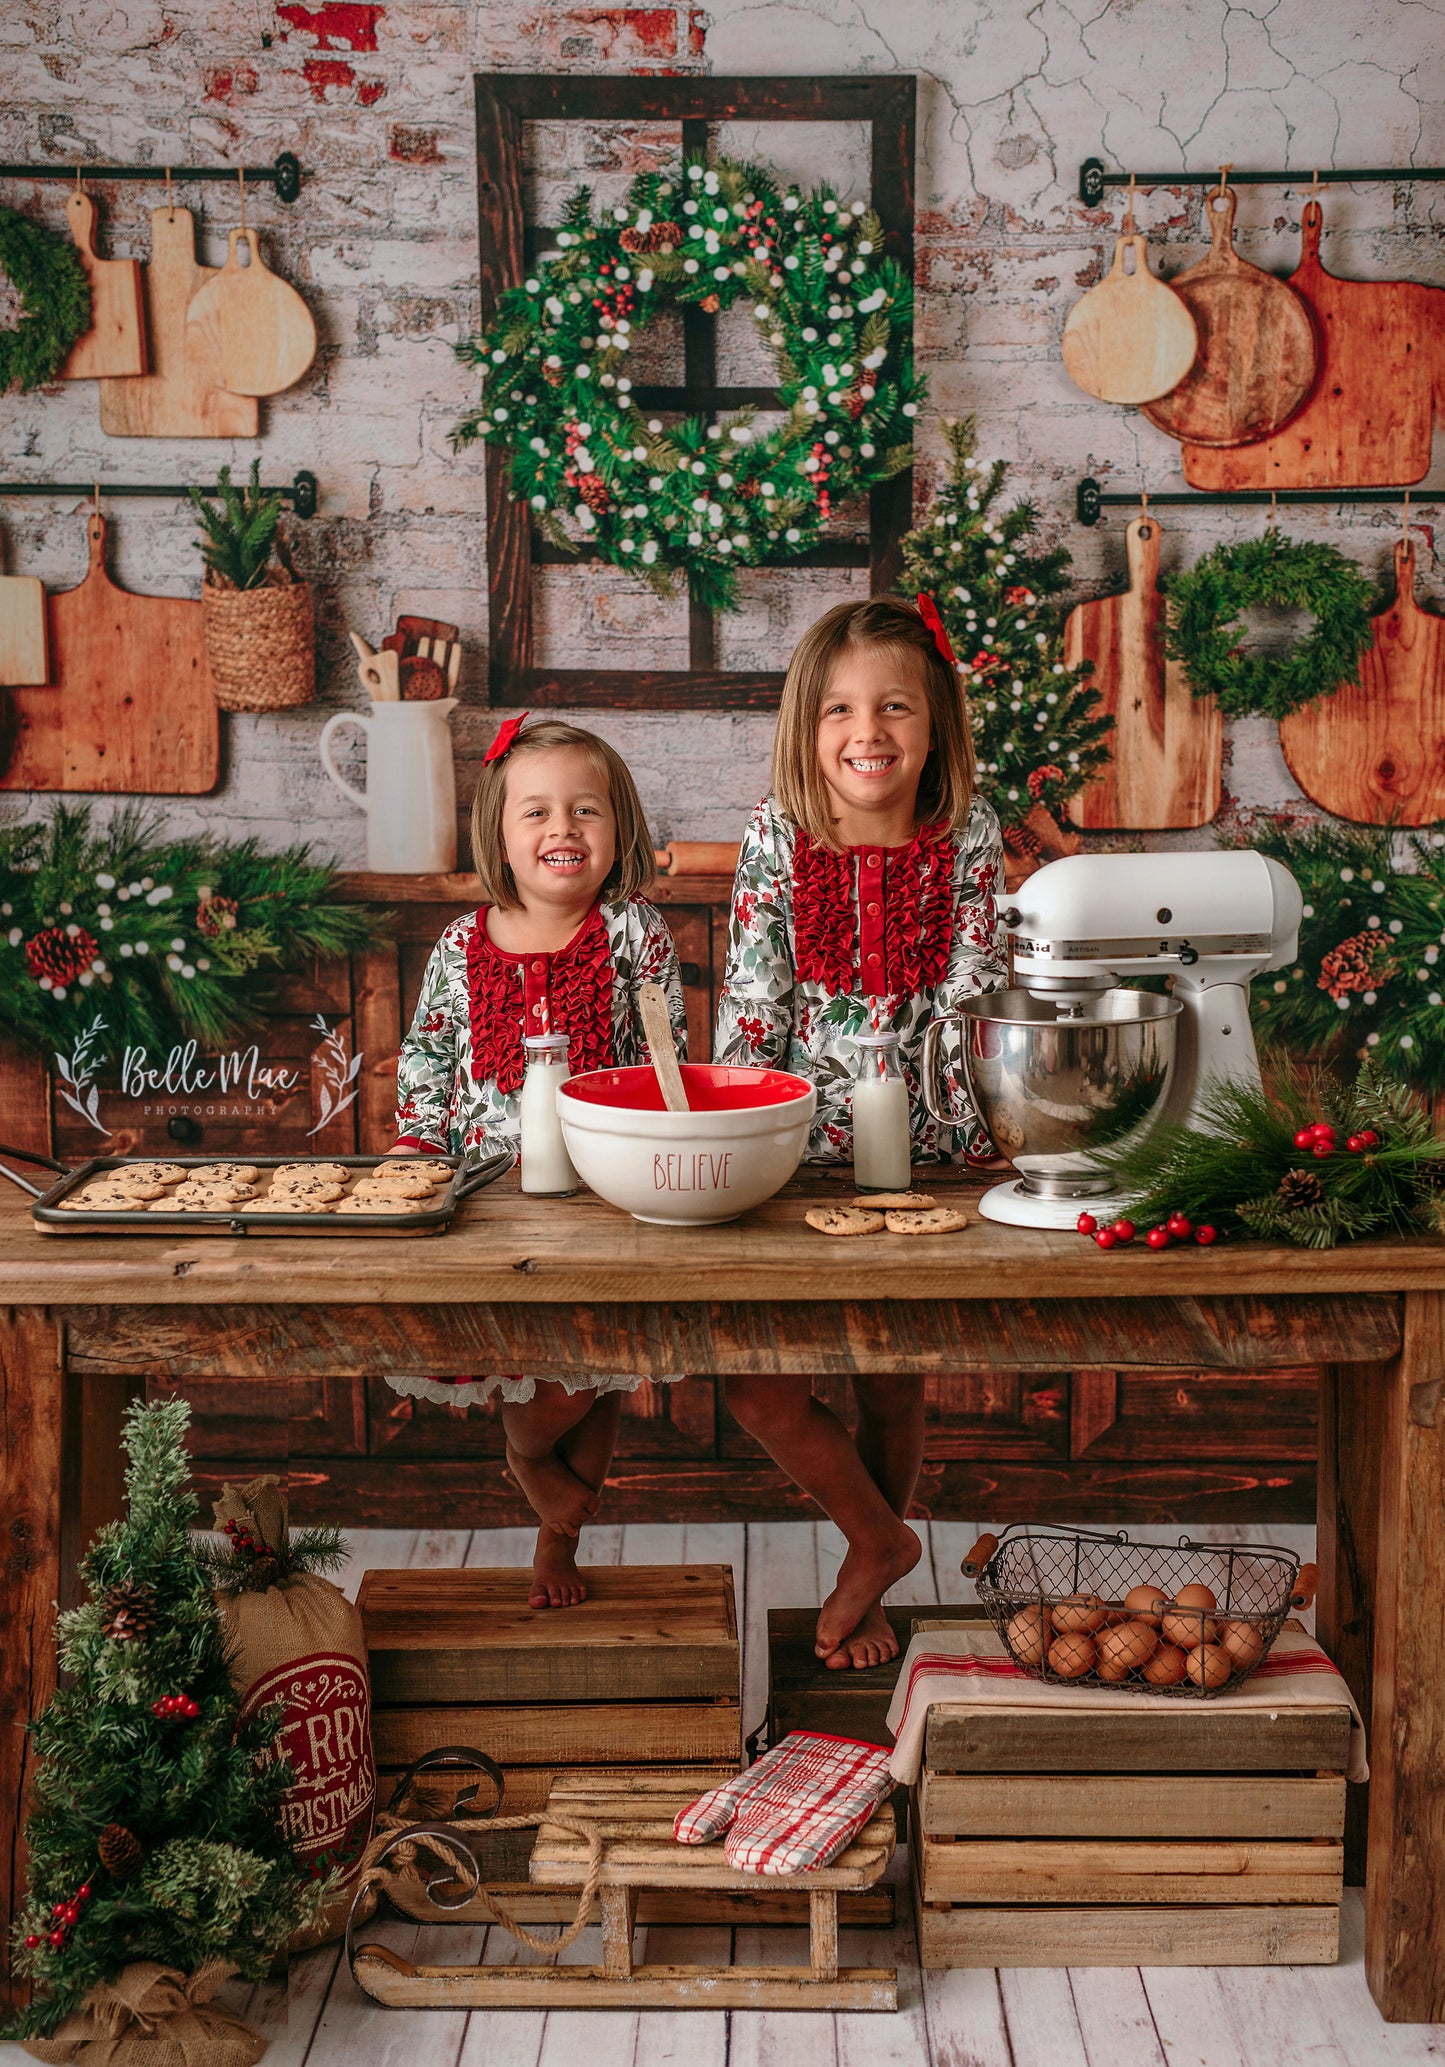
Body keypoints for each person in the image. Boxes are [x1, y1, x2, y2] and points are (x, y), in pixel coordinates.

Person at [716, 594, 1008, 1670]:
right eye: (838, 708)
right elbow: (753, 1007)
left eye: (894, 706)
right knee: (756, 1382)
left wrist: (972, 1142)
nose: (866, 731)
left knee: (892, 1375)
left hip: (932, 1164)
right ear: (806, 726)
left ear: (936, 724)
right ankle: (881, 1537)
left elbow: (977, 996)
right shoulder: (774, 836)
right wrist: (742, 1144)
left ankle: (869, 1571)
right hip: (793, 1164)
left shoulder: (968, 834)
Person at [389, 715, 688, 1610]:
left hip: (605, 1198)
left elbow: (665, 1053)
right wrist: (416, 1153)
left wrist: (659, 1148)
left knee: (594, 1373)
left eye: (585, 809)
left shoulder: (634, 933)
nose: (563, 828)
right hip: (487, 1205)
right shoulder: (459, 945)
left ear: (618, 826)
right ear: (498, 833)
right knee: (544, 1373)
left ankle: (552, 1524)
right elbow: (425, 1060)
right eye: (537, 812)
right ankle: (532, 1467)